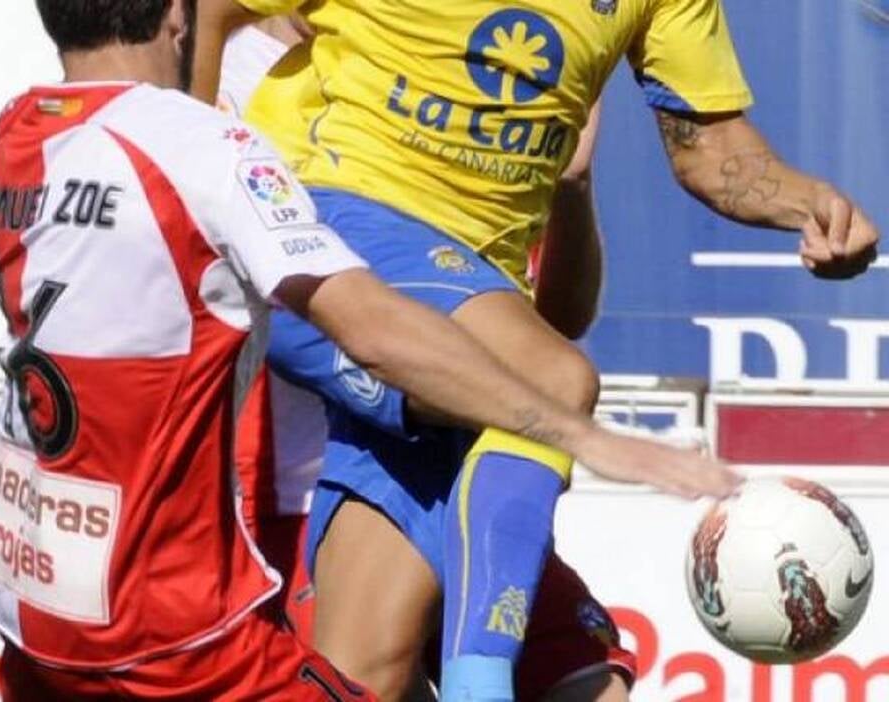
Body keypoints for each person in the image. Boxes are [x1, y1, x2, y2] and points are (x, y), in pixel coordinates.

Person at [0, 1, 740, 699]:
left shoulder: (25, 130)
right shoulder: (219, 131)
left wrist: (570, 191)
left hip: (51, 586)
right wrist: (581, 431)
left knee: (587, 679)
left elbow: (554, 320)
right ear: (178, 15)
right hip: (268, 529)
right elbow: (370, 327)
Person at [193, 0, 879, 700]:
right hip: (325, 225)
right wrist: (171, 180)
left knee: (366, 674)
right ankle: (480, 683)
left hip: (461, 305)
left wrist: (813, 205)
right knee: (550, 377)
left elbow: (711, 149)